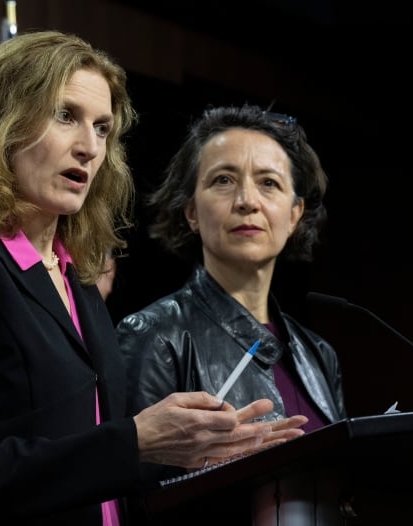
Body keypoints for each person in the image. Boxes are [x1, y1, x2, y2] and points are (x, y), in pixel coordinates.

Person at [0, 33, 307, 526]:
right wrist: (136, 441)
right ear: (3, 122)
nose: (89, 147)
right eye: (66, 116)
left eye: (103, 129)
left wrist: (195, 454)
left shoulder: (75, 277)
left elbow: (93, 471)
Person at [116, 105, 347, 490]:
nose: (247, 201)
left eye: (268, 183)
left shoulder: (319, 355)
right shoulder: (154, 337)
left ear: (294, 215)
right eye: (223, 180)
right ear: (191, 211)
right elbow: (130, 498)